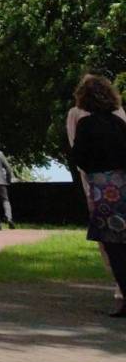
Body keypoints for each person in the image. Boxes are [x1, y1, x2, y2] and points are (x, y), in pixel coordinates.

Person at [68, 73, 126, 317]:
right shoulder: (119, 122)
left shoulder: (85, 124)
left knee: (113, 246)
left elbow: (78, 156)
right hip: (124, 182)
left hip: (103, 188)